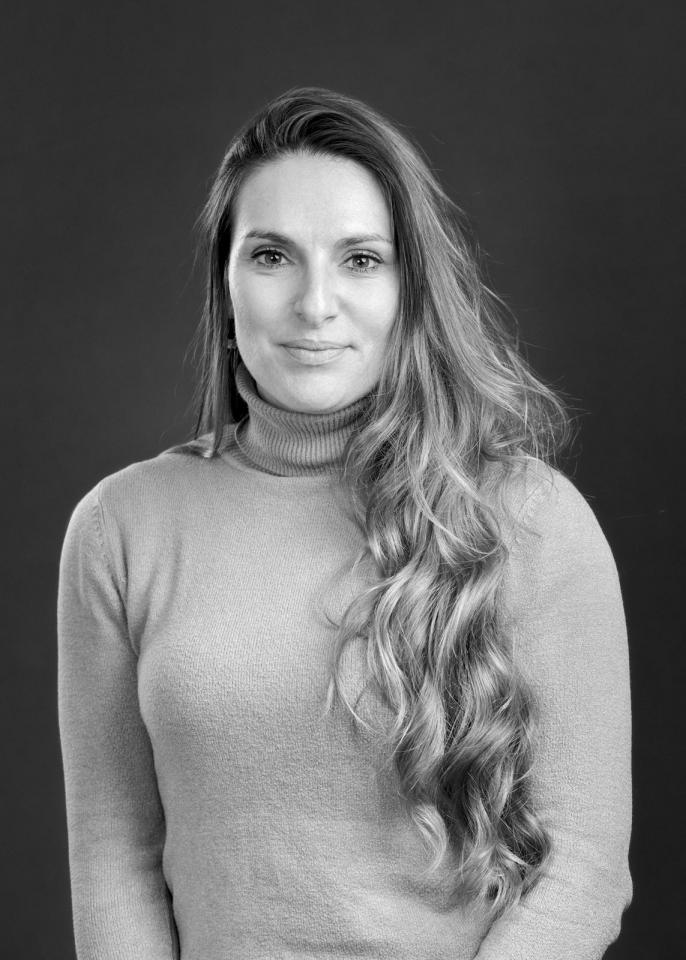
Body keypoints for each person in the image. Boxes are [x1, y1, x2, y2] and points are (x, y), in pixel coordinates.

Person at [57, 86, 632, 960]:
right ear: (225, 282)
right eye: (272, 256)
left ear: (410, 286)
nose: (314, 303)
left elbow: (582, 867)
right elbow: (114, 856)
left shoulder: (531, 520)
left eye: (361, 259)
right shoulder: (121, 528)